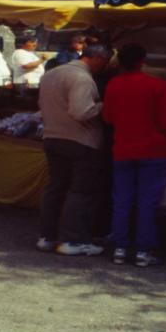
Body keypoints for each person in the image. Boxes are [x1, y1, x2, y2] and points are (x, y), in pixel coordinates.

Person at [104, 44, 166, 267]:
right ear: (142, 61)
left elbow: (108, 117)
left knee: (121, 200)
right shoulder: (157, 86)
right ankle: (143, 250)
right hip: (154, 150)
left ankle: (120, 248)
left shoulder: (114, 85)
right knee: (147, 202)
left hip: (123, 149)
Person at [36, 43, 113, 255]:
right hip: (81, 140)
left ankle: (47, 236)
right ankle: (73, 240)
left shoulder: (51, 75)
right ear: (97, 58)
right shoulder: (82, 78)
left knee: (56, 187)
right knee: (81, 191)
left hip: (53, 136)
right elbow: (81, 111)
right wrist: (104, 105)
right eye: (105, 62)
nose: (105, 66)